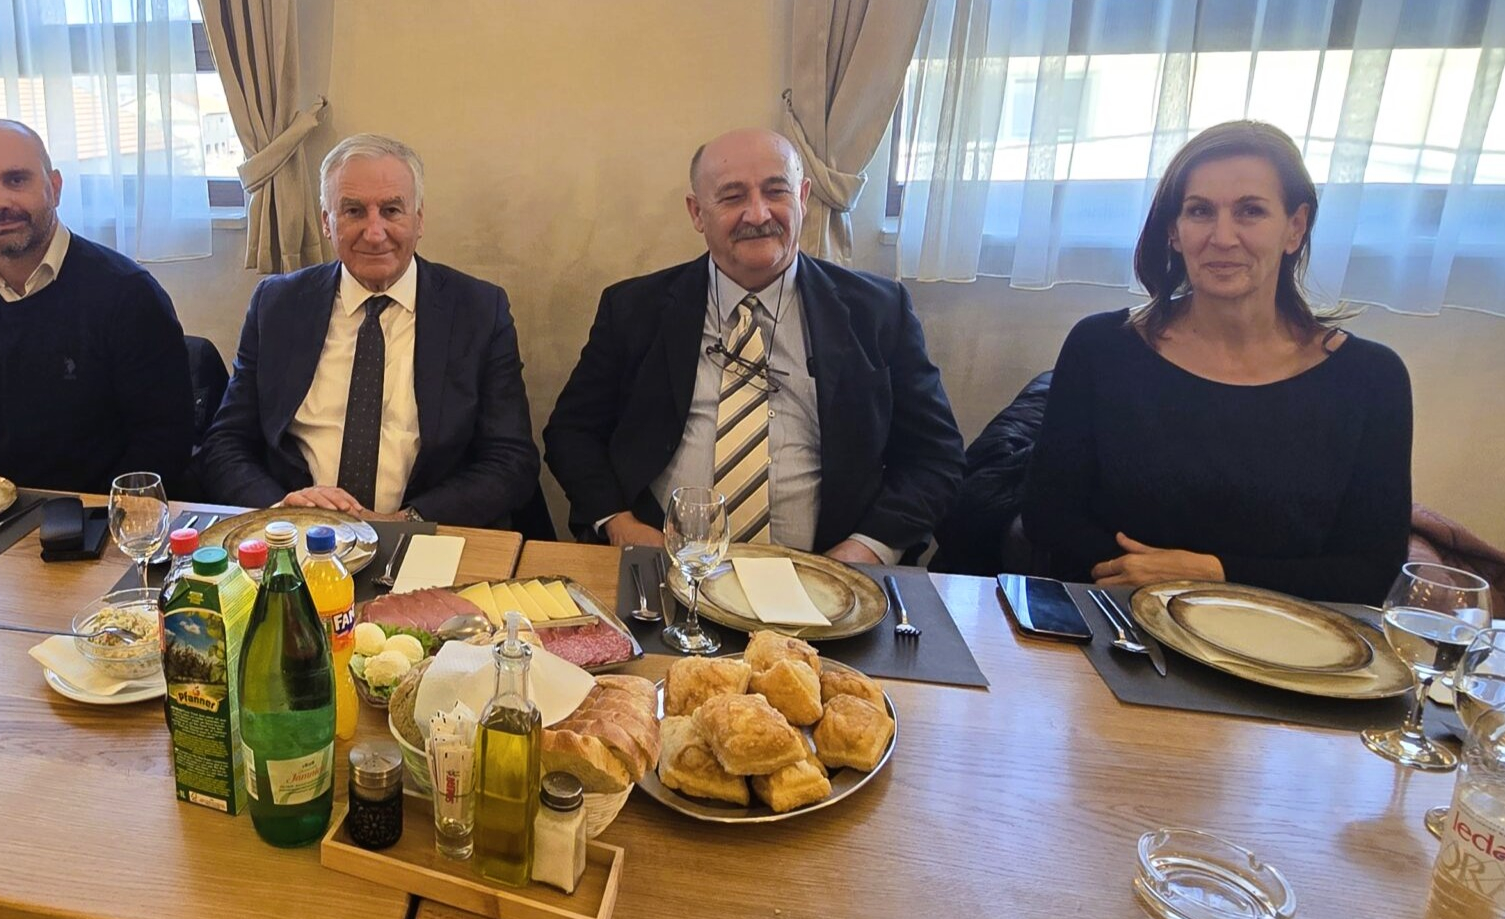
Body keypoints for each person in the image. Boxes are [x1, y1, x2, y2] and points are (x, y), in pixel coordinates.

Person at [1020, 120, 1411, 605]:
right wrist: (1149, 582)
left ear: (1295, 227)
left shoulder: (1371, 379)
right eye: (1200, 211)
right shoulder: (1101, 347)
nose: (1222, 237)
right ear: (1174, 231)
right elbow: (1048, 516)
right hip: (1118, 620)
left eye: (1250, 211)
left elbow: (1372, 572)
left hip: (1283, 637)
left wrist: (1212, 574)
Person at [543, 128, 964, 560]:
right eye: (732, 197)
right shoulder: (633, 308)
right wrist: (620, 524)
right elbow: (572, 432)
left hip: (826, 570)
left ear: (803, 197)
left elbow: (935, 457)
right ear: (697, 213)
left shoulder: (877, 311)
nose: (758, 214)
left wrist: (865, 550)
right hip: (664, 560)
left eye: (776, 191)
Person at [197, 134, 540, 529]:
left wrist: (406, 521)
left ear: (419, 219)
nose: (374, 233)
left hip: (426, 535)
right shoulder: (277, 305)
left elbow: (510, 459)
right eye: (353, 211)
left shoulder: (478, 310)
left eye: (391, 210)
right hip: (298, 537)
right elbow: (225, 444)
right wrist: (281, 511)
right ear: (326, 222)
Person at [0, 118, 195, 492]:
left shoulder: (128, 295)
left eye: (16, 179)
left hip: (95, 518)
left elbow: (163, 445)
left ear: (55, 187)